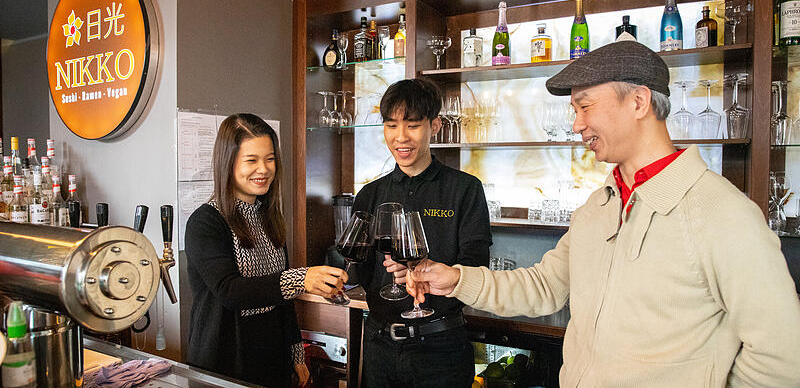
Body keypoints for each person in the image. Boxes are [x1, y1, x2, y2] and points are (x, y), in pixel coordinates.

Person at [408, 41, 800, 387]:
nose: (576, 124)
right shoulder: (597, 208)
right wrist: (456, 279)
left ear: (639, 102)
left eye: (585, 106)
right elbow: (545, 287)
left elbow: (782, 356)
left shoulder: (722, 213)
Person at [185, 113, 348, 387]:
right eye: (251, 160)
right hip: (225, 362)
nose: (263, 169)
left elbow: (280, 298)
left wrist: (296, 354)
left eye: (270, 159)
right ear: (228, 162)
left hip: (273, 359)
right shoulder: (205, 222)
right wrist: (302, 279)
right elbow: (231, 291)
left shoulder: (267, 217)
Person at [352, 78, 492, 387]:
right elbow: (361, 271)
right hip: (379, 345)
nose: (400, 138)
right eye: (391, 126)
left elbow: (477, 264)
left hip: (441, 347)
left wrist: (424, 271)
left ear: (435, 126)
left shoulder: (465, 189)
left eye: (412, 126)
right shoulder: (369, 195)